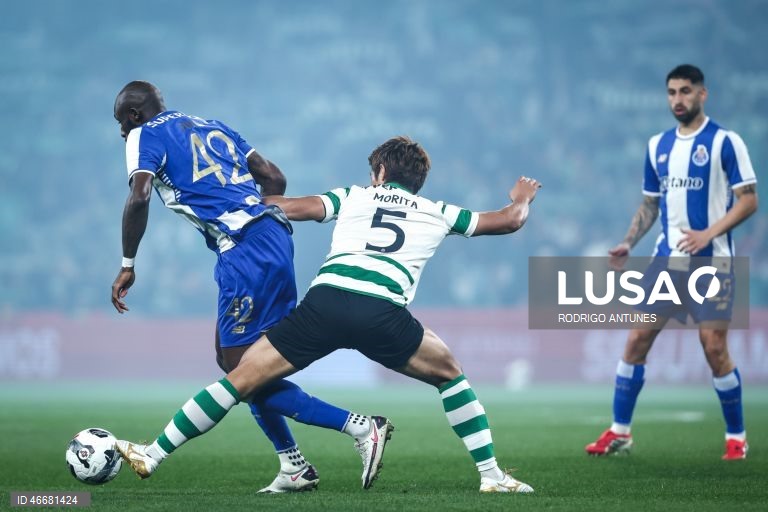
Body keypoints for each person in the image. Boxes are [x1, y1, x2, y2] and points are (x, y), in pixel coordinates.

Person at [115, 136, 541, 493]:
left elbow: (285, 206)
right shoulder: (439, 211)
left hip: (326, 305)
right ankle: (491, 476)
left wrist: (228, 199)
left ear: (378, 174)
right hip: (383, 312)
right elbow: (508, 221)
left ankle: (153, 453)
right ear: (419, 181)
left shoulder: (352, 196)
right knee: (450, 374)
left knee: (239, 379)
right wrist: (520, 198)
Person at [110, 81, 395, 492]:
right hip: (272, 236)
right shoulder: (212, 126)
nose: (122, 132)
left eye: (121, 122)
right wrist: (253, 217)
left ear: (134, 115)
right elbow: (273, 176)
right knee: (234, 364)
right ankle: (293, 466)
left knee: (242, 371)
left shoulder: (144, 135)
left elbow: (139, 197)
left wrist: (127, 265)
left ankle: (360, 427)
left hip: (245, 250)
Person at [585, 64, 758, 460]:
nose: (677, 100)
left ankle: (736, 437)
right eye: (671, 93)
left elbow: (749, 199)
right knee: (636, 339)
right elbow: (651, 202)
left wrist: (709, 232)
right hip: (667, 261)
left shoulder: (725, 143)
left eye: (685, 91)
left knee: (713, 347)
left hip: (713, 263)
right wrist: (629, 241)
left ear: (702, 94)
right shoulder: (657, 146)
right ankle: (620, 432)